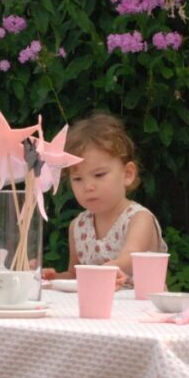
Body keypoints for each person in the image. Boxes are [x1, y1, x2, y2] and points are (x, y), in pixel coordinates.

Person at [42, 113, 167, 283]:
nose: (88, 186)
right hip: (100, 300)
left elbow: (131, 258)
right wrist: (54, 278)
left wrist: (100, 272)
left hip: (141, 299)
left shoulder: (138, 219)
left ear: (127, 174)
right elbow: (75, 275)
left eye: (99, 175)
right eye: (77, 179)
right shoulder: (78, 227)